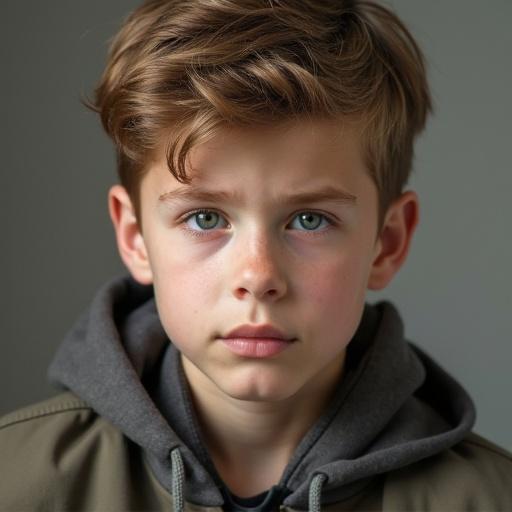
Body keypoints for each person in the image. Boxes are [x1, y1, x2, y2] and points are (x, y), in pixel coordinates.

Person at [1, 1, 511, 510]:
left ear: (389, 241)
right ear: (135, 238)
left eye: (309, 219)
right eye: (205, 218)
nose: (258, 276)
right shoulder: (17, 483)